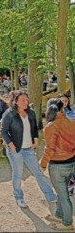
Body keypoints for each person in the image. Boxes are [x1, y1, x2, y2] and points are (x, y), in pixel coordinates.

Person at [0, 91, 57, 208]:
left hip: (29, 149)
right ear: (16, 102)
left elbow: (35, 127)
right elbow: (3, 131)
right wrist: (10, 144)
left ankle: (50, 195)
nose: (26, 102)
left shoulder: (31, 112)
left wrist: (36, 139)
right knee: (18, 174)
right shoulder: (9, 113)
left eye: (26, 99)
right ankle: (19, 197)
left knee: (38, 172)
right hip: (15, 150)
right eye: (23, 100)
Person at [39, 99, 75, 231]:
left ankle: (67, 222)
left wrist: (42, 164)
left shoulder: (50, 126)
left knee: (63, 195)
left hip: (57, 165)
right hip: (71, 162)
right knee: (62, 193)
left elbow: (49, 149)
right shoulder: (71, 123)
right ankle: (60, 215)